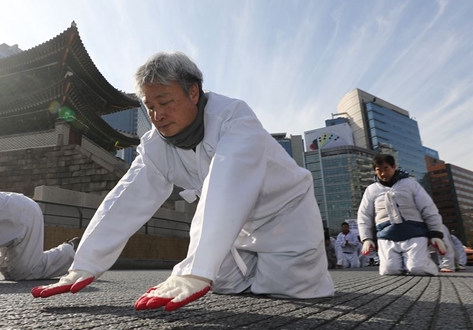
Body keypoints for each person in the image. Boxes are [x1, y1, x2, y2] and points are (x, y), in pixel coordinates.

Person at [31, 51, 335, 311]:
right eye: (149, 106)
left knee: (291, 291)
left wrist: (194, 271)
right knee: (224, 284)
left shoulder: (234, 119)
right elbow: (125, 199)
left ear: (193, 92)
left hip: (285, 218)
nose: (157, 115)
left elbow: (227, 183)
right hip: (234, 231)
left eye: (164, 102)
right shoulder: (155, 146)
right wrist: (84, 264)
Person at [358, 154, 447, 276]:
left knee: (418, 268)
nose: (383, 173)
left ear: (394, 167)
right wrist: (366, 238)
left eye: (386, 168)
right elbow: (364, 215)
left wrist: (435, 234)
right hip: (386, 235)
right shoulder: (371, 190)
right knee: (389, 270)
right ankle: (405, 264)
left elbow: (428, 209)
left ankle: (424, 263)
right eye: (379, 170)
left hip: (414, 233)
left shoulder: (410, 184)